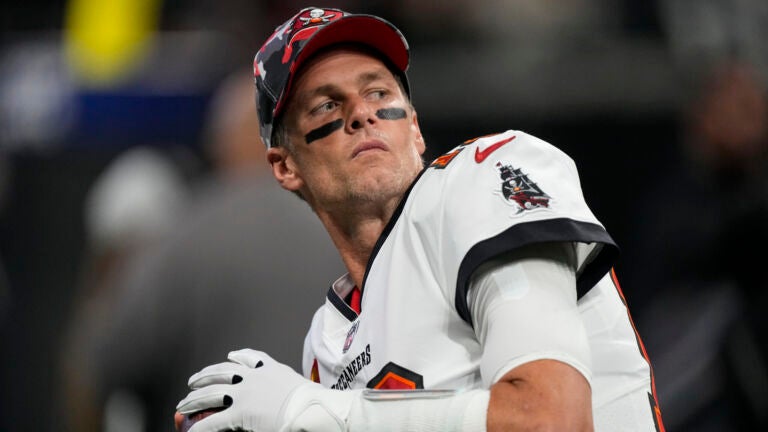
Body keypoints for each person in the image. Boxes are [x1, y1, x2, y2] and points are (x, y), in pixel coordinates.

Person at [176, 7, 665, 431]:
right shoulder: (324, 348)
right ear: (285, 166)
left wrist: (322, 413)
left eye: (379, 94)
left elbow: (550, 419)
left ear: (414, 126)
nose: (362, 114)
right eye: (327, 105)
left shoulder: (481, 176)